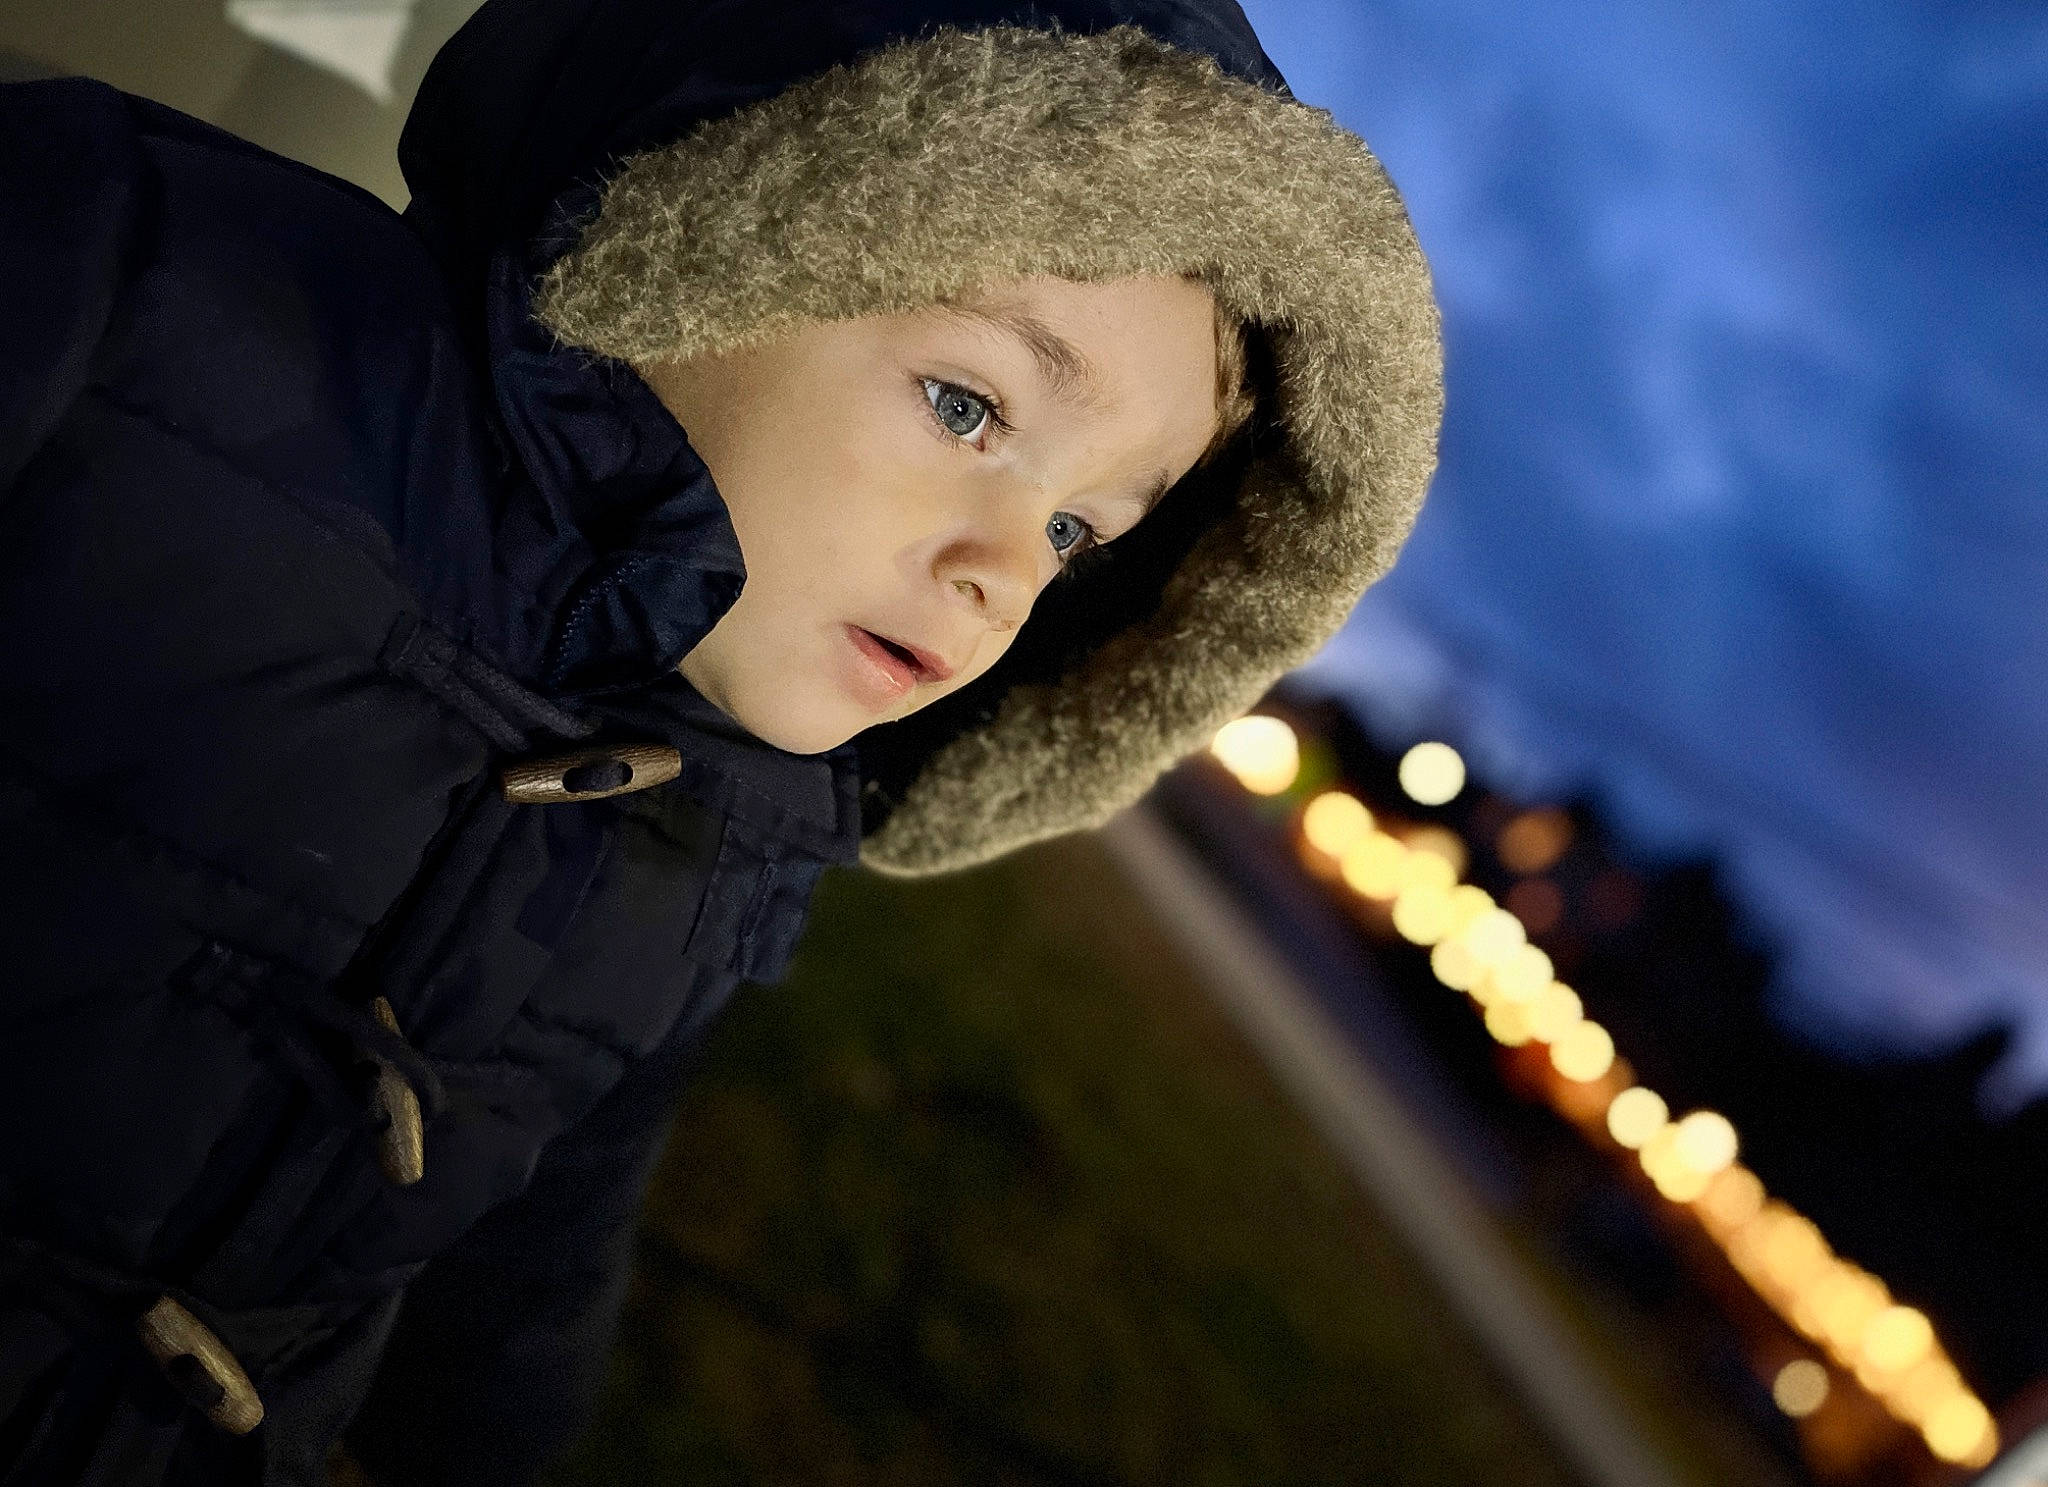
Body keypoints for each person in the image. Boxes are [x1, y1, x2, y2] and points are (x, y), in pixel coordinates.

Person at [0, 0, 1441, 1482]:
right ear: (713, 217)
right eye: (969, 405)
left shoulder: (739, 834)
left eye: (1078, 531)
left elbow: (528, 1281)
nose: (1004, 570)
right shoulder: (127, 283)